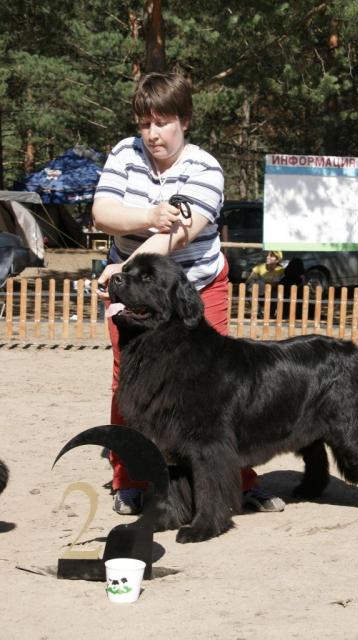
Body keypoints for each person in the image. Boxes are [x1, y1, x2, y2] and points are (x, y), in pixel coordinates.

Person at [92, 72, 285, 516]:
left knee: (215, 388)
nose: (153, 133)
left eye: (163, 122)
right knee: (132, 388)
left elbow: (179, 237)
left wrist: (125, 266)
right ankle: (132, 480)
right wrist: (149, 215)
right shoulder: (124, 153)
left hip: (196, 285)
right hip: (133, 295)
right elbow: (103, 212)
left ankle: (238, 480)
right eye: (145, 123)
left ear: (185, 120)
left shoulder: (205, 168)